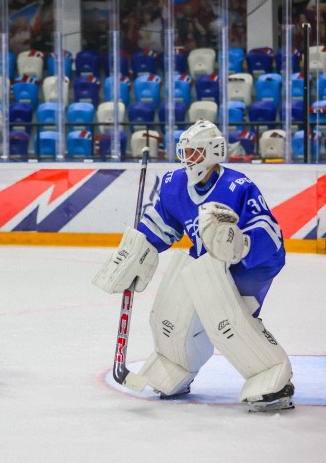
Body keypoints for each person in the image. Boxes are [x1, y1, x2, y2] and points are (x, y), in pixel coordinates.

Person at [93, 120, 293, 412]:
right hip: (209, 264)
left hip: (250, 266)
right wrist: (136, 252)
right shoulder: (174, 184)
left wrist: (241, 245)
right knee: (171, 307)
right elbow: (162, 224)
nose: (188, 159)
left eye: (195, 152)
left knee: (225, 320)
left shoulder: (238, 186)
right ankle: (175, 363)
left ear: (213, 152)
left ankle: (272, 374)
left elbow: (270, 233)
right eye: (185, 151)